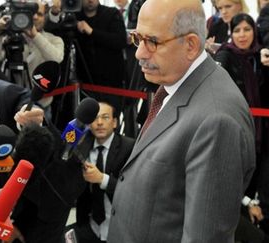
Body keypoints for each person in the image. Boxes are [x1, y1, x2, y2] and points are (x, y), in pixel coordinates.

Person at [107, 0, 256, 242]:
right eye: (137, 38)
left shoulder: (217, 122)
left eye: (152, 42)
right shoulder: (176, 83)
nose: (139, 53)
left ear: (190, 44)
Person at [214, 13, 269, 242]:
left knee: (263, 183)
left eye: (247, 29)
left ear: (254, 31)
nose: (242, 35)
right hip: (236, 133)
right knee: (238, 184)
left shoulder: (261, 56)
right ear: (231, 33)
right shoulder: (225, 55)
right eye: (237, 30)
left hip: (264, 134)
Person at [71, 101, 134, 243]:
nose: (99, 123)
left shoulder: (129, 147)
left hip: (120, 225)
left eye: (105, 117)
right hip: (89, 225)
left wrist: (101, 179)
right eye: (95, 118)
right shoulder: (80, 146)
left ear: (114, 123)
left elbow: (134, 191)